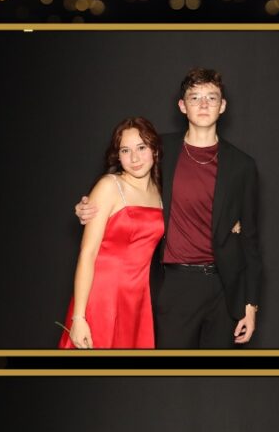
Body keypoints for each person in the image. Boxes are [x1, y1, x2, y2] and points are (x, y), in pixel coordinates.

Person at [76, 68, 262, 351]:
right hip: (175, 284)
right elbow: (125, 176)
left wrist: (250, 305)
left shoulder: (243, 165)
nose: (203, 104)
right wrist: (87, 206)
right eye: (195, 97)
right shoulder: (160, 150)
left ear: (222, 106)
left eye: (211, 97)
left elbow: (250, 239)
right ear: (182, 106)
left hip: (224, 288)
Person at [59, 117, 164, 350]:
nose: (134, 158)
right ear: (118, 156)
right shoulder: (109, 186)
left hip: (138, 298)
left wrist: (232, 222)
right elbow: (88, 254)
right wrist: (79, 317)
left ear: (155, 150)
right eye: (125, 150)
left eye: (141, 148)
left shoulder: (160, 192)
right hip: (102, 295)